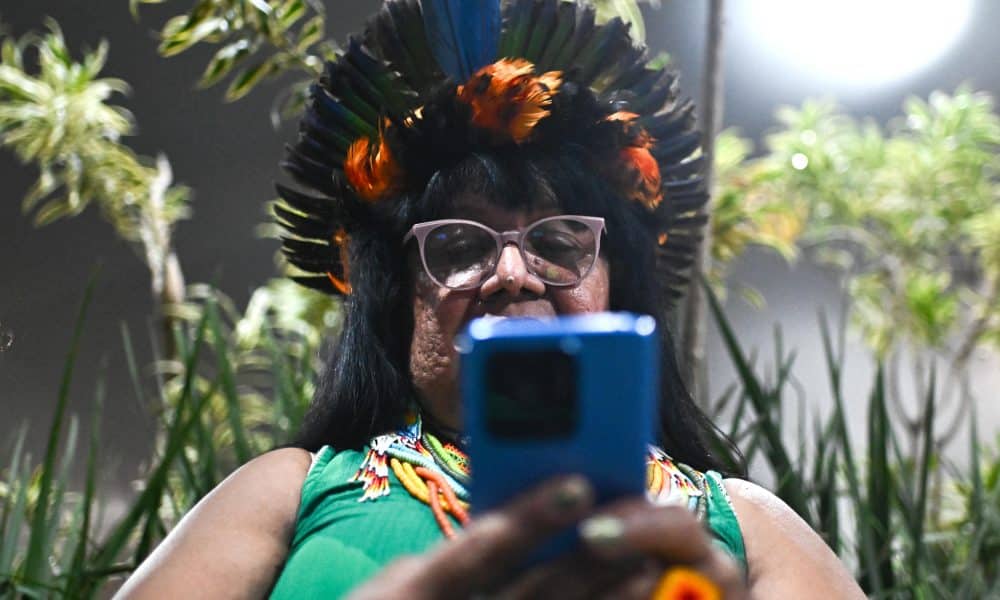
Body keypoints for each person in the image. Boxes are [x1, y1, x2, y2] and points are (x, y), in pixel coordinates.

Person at [117, 0, 865, 597]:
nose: (512, 272)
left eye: (559, 243)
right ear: (399, 305)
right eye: (460, 246)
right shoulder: (287, 491)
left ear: (618, 289)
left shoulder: (742, 521)